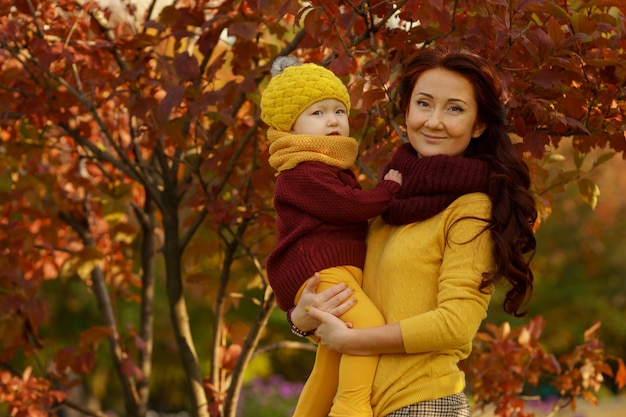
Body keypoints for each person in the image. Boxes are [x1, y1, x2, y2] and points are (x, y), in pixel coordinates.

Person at [290, 48, 538, 417]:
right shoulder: (384, 202)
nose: (434, 121)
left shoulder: (470, 208)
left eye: (454, 108)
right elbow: (358, 310)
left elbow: (455, 324)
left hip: (423, 405)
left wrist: (355, 340)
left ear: (479, 125)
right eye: (424, 104)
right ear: (406, 113)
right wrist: (303, 318)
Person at [259, 56, 403, 417]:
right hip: (322, 271)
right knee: (365, 327)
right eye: (318, 113)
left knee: (330, 358)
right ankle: (351, 408)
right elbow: (348, 206)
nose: (334, 120)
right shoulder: (302, 171)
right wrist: (388, 189)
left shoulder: (324, 166)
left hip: (332, 271)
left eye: (339, 110)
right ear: (290, 126)